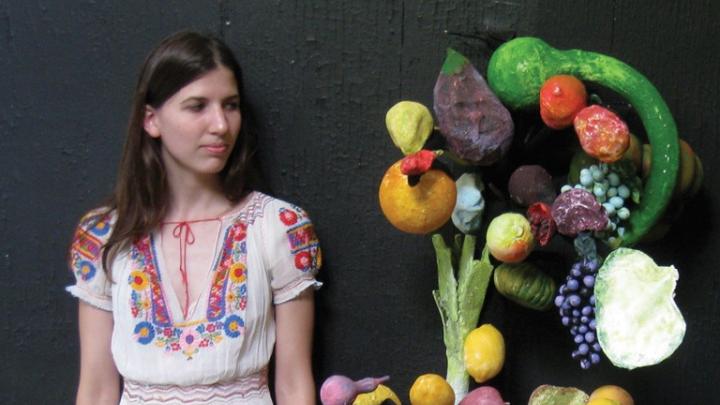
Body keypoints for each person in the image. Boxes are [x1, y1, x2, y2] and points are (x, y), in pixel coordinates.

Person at [66, 31, 322, 405]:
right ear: (151, 120)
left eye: (230, 105)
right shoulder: (104, 236)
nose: (220, 124)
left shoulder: (277, 228)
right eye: (197, 106)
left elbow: (295, 386)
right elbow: (96, 389)